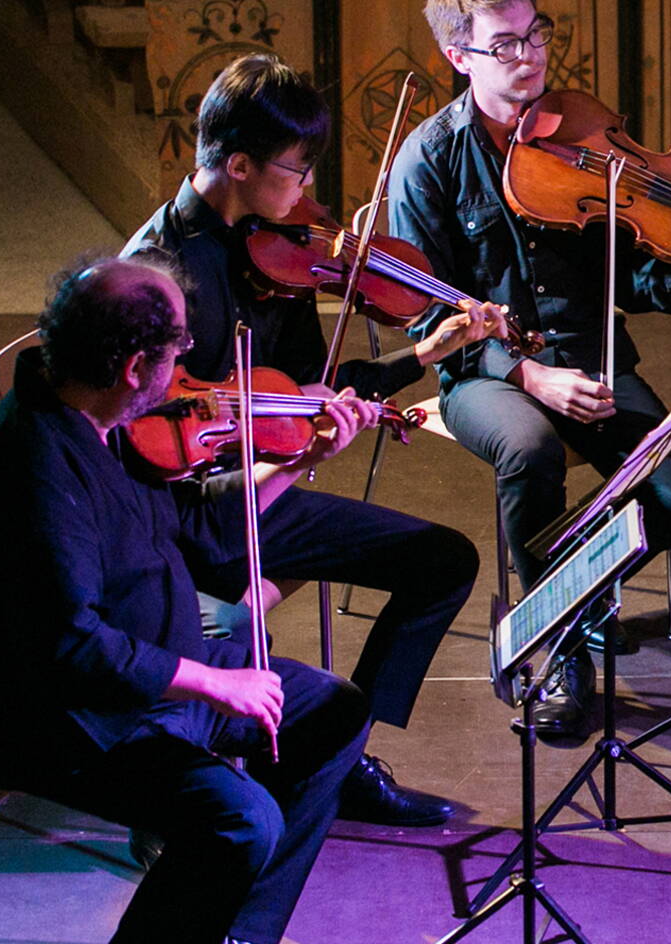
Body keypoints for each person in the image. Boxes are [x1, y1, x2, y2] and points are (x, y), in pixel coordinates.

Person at [386, 0, 671, 740]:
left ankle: (576, 589)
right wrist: (530, 376)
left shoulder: (580, 134)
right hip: (483, 376)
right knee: (529, 449)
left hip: (593, 358)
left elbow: (629, 279)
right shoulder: (427, 162)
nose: (529, 56)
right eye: (505, 43)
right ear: (458, 55)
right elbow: (427, 325)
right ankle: (559, 648)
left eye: (537, 34)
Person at [123, 53, 499, 825]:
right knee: (234, 613)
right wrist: (292, 450)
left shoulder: (279, 252)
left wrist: (422, 356)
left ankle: (341, 750)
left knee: (442, 560)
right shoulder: (153, 276)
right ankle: (248, 773)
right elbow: (143, 451)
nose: (309, 192)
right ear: (238, 165)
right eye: (297, 170)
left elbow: (302, 389)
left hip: (268, 490)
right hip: (187, 518)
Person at [0, 257, 372, 944]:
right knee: (241, 820)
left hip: (161, 672)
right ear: (132, 367)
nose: (184, 367)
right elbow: (73, 645)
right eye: (177, 349)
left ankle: (239, 930)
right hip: (79, 721)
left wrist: (298, 461)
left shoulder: (106, 420)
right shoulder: (35, 470)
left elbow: (204, 534)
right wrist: (215, 683)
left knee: (334, 710)